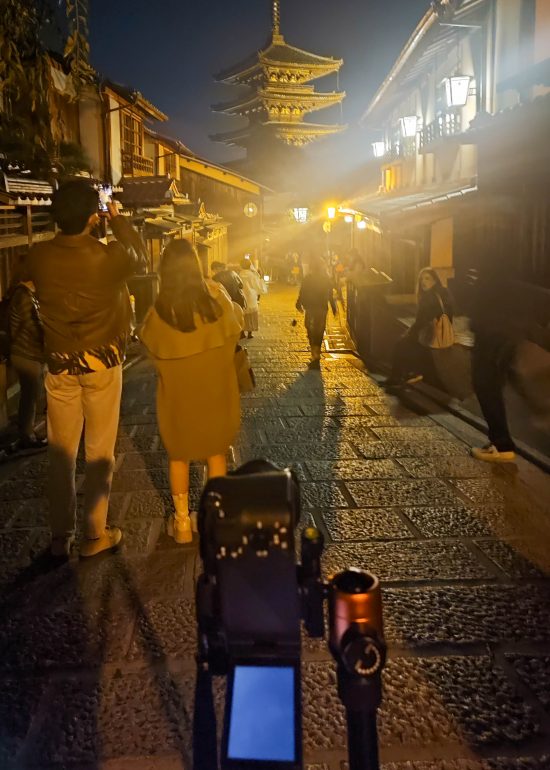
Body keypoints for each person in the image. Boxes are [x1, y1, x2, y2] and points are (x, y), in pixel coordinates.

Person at [28, 180, 140, 560]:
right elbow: (138, 256)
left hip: (59, 361)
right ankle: (96, 532)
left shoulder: (38, 256)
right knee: (99, 447)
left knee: (61, 451)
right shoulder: (109, 257)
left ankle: (61, 537)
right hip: (102, 360)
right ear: (95, 215)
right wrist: (119, 221)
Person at [139, 240, 243, 543]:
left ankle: (183, 523)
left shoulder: (159, 311)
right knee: (216, 454)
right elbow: (234, 329)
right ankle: (215, 518)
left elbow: (150, 348)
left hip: (178, 400)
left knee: (178, 457)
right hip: (215, 393)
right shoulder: (215, 299)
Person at [386, 267, 453, 390]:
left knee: (400, 345)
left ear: (435, 280)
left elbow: (420, 322)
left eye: (427, 279)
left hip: (430, 334)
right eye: (421, 279)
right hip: (440, 333)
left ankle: (396, 377)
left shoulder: (428, 297)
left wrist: (409, 333)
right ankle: (412, 375)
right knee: (419, 354)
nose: (423, 282)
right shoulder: (444, 292)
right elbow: (449, 315)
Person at [7, 257, 46, 451]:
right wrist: (47, 335)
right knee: (30, 395)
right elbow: (32, 326)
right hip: (26, 353)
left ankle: (28, 432)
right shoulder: (23, 295)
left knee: (30, 395)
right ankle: (27, 434)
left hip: (25, 353)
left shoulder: (23, 293)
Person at [296, 256, 337, 369]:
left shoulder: (308, 278)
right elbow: (330, 295)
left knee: (310, 328)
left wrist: (299, 303)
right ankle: (316, 352)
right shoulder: (326, 279)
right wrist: (333, 307)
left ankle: (314, 353)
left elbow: (302, 291)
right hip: (322, 307)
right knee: (319, 329)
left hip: (311, 307)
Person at [239, 258, 266, 339]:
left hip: (242, 297)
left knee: (242, 315)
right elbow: (257, 287)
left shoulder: (239, 274)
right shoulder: (253, 275)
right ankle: (250, 333)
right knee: (251, 315)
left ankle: (242, 333)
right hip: (251, 297)